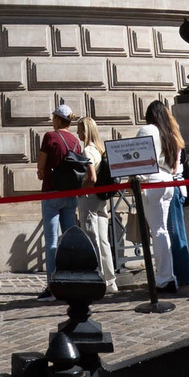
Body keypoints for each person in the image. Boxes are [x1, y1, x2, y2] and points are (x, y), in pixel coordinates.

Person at [138, 99, 189, 292]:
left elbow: (140, 160)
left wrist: (137, 180)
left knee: (158, 231)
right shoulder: (170, 133)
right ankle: (167, 275)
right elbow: (176, 166)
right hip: (168, 180)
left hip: (153, 181)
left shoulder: (148, 130)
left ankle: (164, 277)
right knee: (163, 231)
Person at [37, 103, 89, 280]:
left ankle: (53, 283)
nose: (52, 121)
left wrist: (41, 172)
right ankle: (71, 279)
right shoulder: (76, 141)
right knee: (70, 240)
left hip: (52, 192)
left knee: (51, 241)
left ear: (59, 120)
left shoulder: (50, 137)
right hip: (71, 195)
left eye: (54, 118)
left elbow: (41, 167)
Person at [73, 112, 116, 280]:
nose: (78, 134)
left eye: (79, 130)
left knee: (92, 239)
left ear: (86, 131)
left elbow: (92, 177)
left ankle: (96, 277)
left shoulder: (87, 151)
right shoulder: (100, 149)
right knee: (103, 240)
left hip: (90, 197)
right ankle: (110, 280)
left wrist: (80, 191)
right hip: (101, 198)